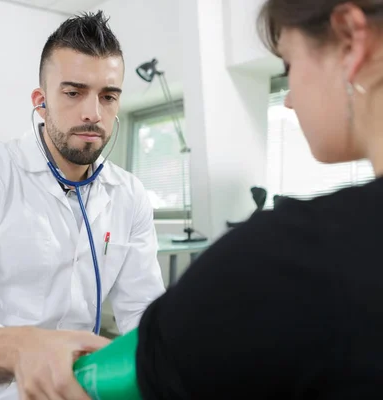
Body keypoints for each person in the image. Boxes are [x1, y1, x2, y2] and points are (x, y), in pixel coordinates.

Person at [0, 10, 165, 400]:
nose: (93, 113)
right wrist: (23, 348)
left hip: (84, 386)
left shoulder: (129, 195)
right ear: (40, 102)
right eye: (73, 92)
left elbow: (144, 315)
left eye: (108, 96)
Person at [134, 0, 383, 398]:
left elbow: (126, 376)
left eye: (288, 65)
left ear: (351, 42)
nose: (288, 98)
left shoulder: (277, 263)